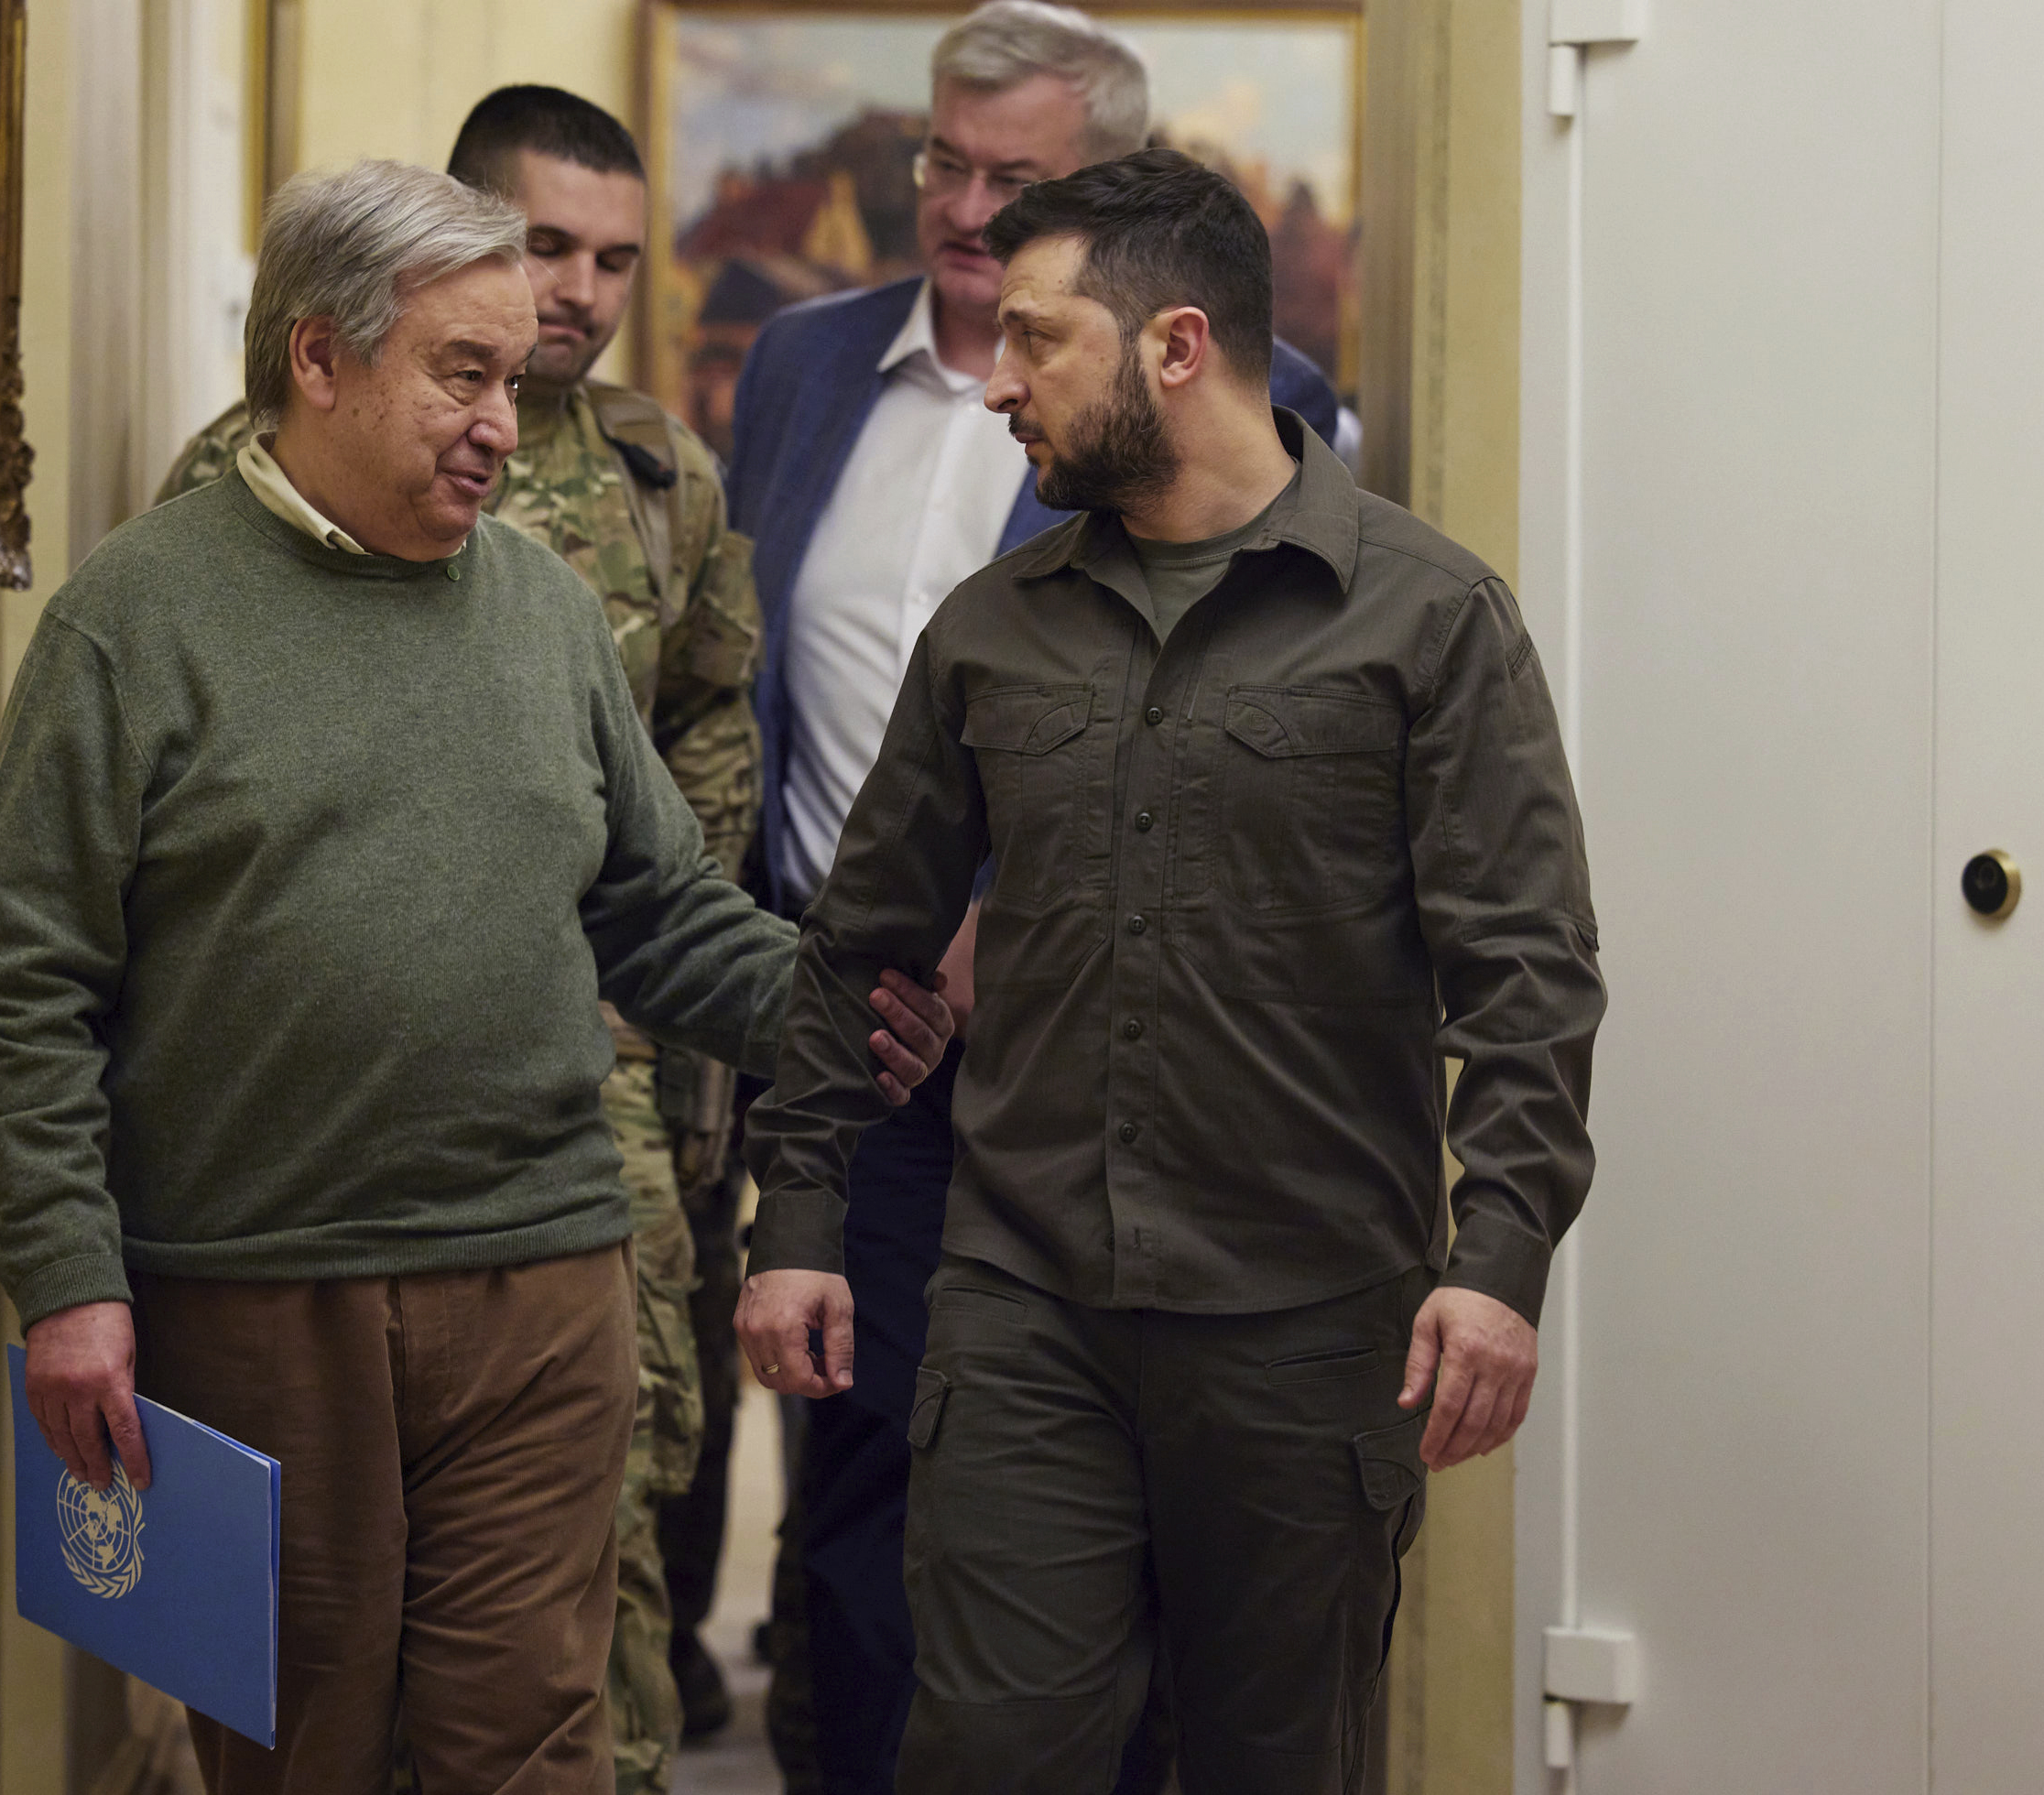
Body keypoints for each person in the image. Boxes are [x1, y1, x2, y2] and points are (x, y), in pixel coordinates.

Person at [0, 158, 952, 1795]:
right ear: (318, 359)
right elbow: (18, 982)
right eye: (461, 375)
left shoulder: (543, 613)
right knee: (306, 1754)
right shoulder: (135, 618)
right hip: (259, 1294)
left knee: (529, 1744)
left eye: (516, 382)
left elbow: (658, 915)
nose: (500, 426)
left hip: (543, 1278)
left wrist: (859, 1010)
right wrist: (68, 1278)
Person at [737, 147, 1604, 1795]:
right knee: (991, 1755)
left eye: (1037, 340)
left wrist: (1499, 1259)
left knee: (1273, 1762)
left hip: (1309, 1331)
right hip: (1025, 1312)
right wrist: (798, 1221)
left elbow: (1529, 972)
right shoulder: (990, 632)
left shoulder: (1430, 620)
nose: (1000, 384)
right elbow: (860, 941)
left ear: (1177, 347)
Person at [720, 6, 1341, 1787]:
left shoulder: (1259, 403)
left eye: (1018, 175)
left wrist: (1012, 911)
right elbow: (747, 682)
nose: (965, 206)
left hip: (1090, 1046)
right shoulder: (802, 363)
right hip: (856, 1027)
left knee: (1087, 1515)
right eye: (944, 158)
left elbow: (1228, 722)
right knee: (861, 1490)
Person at [157, 87, 758, 1793]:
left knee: (571, 1606)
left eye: (613, 262)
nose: (578, 296)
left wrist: (779, 1023)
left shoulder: (637, 492)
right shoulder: (196, 552)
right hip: (282, 1216)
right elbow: (58, 954)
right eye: (544, 251)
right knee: (308, 1689)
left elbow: (687, 804)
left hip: (570, 1139)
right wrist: (87, 1269)